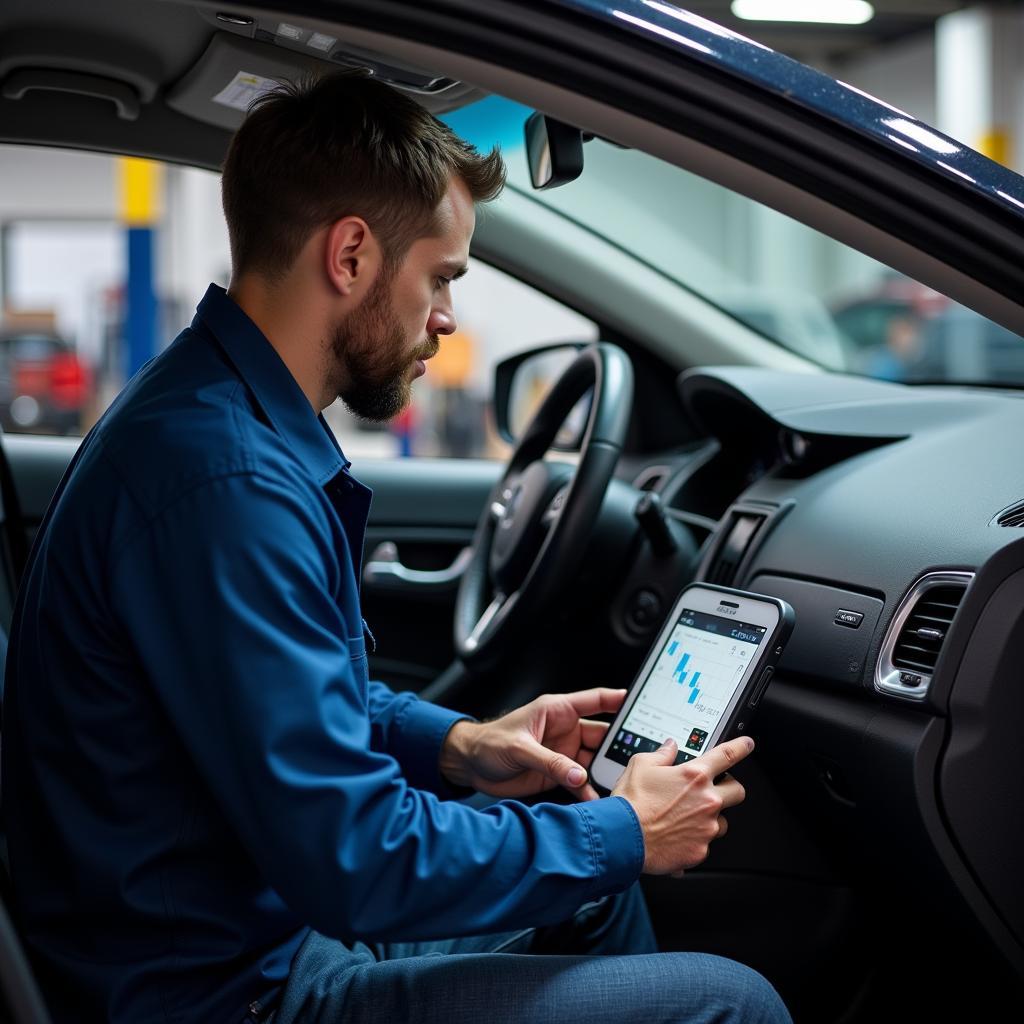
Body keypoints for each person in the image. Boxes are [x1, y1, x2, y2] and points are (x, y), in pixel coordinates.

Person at [1, 72, 792, 1024]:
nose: (448, 319)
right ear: (350, 255)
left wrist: (459, 745)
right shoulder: (230, 486)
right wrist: (624, 830)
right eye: (443, 276)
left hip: (243, 927)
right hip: (219, 992)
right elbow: (356, 860)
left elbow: (286, 704)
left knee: (590, 881)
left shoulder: (216, 419)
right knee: (729, 1001)